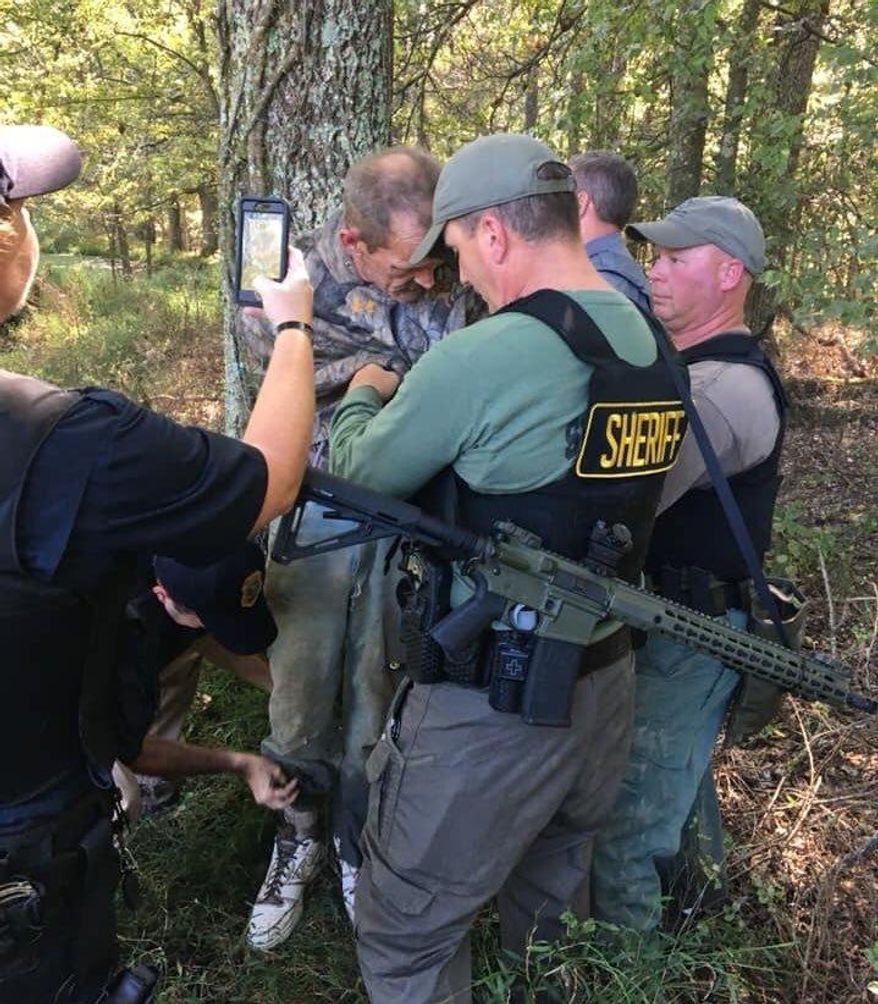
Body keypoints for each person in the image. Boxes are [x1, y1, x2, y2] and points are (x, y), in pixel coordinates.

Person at [327, 132, 689, 1003]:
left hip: (493, 700)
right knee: (553, 909)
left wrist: (365, 391)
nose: (459, 273)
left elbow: (359, 474)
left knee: (404, 931)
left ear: (492, 232)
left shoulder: (486, 354)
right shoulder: (652, 345)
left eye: (455, 248)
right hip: (603, 688)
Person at [0, 124, 314, 1003]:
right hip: (28, 857)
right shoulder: (66, 440)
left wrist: (240, 759)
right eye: (18, 212)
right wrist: (294, 327)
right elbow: (268, 480)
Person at [245, 146, 473, 949]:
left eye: (436, 261)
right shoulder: (289, 279)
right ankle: (296, 837)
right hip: (313, 516)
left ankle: (357, 841)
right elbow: (272, 358)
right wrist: (379, 372)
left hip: (408, 520)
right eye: (407, 267)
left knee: (381, 691)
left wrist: (364, 371)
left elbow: (460, 379)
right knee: (300, 690)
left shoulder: (456, 276)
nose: (428, 279)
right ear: (354, 243)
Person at [590, 196, 786, 932]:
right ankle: (701, 914)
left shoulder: (723, 390)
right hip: (674, 622)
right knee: (672, 787)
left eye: (676, 258)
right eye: (655, 256)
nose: (655, 271)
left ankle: (628, 966)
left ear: (729, 273)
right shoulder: (694, 368)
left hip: (691, 635)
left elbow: (623, 499)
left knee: (626, 825)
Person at [111, 542, 298, 822]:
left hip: (144, 628)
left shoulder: (196, 541)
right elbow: (129, 749)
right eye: (208, 620)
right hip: (56, 710)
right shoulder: (120, 649)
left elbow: (208, 638)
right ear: (161, 594)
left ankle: (156, 777)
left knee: (182, 655)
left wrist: (283, 690)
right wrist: (241, 764)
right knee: (122, 794)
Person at [569, 150, 651, 310]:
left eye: (559, 196)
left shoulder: (603, 284)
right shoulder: (604, 270)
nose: (553, 205)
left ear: (580, 203)